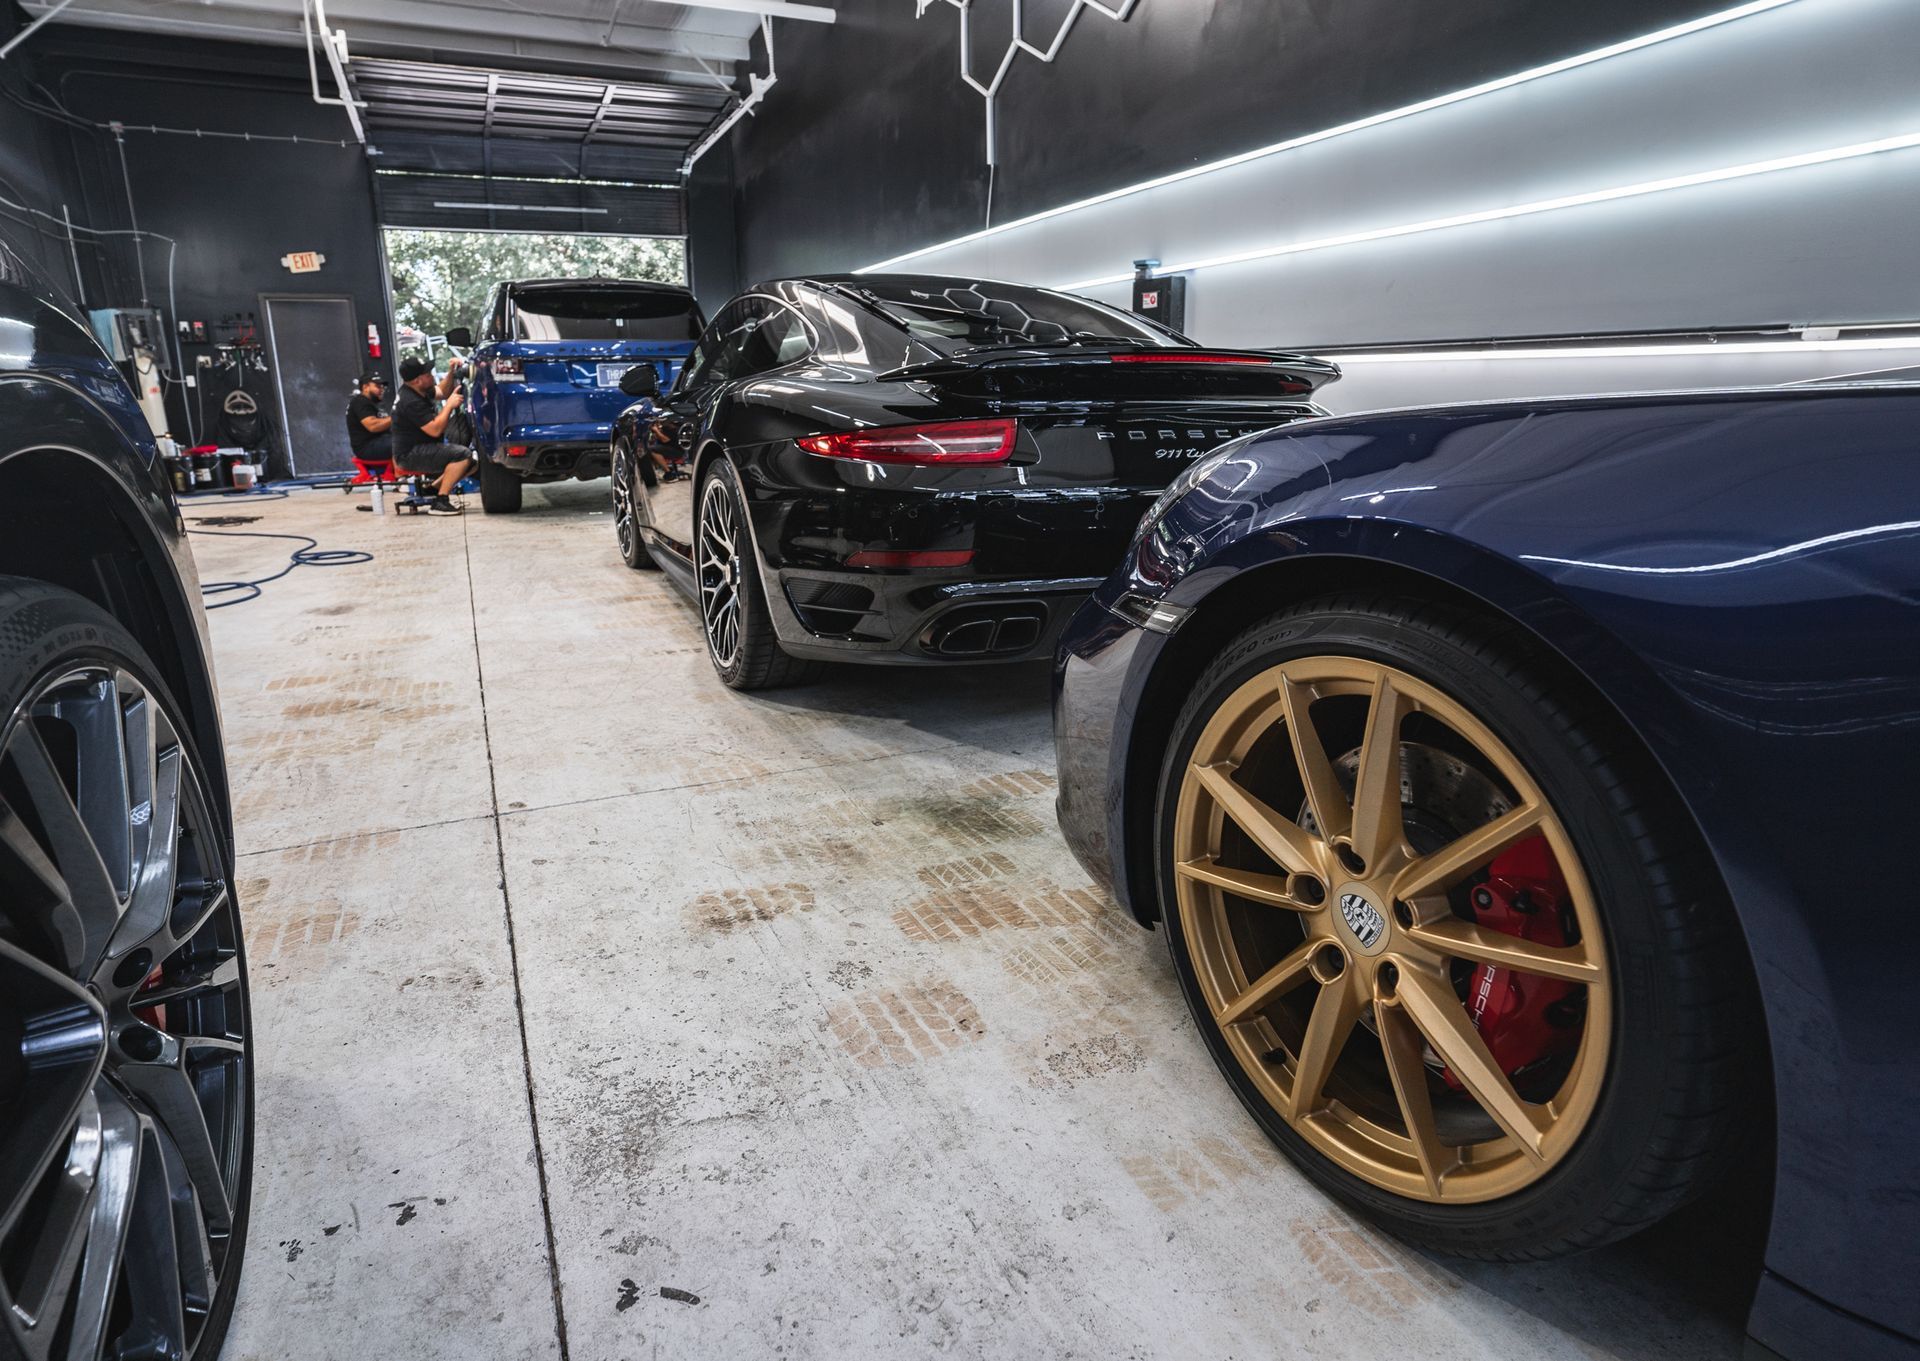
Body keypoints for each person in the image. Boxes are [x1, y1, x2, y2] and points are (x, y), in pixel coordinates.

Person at [390, 354, 474, 516]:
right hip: (410, 454)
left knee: (473, 462)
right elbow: (435, 429)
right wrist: (449, 406)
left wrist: (451, 372)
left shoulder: (419, 390)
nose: (432, 376)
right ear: (417, 380)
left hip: (421, 448)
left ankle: (432, 489)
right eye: (428, 375)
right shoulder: (410, 401)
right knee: (463, 456)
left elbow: (442, 391)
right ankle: (441, 501)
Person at [345, 371, 392, 465]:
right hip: (368, 447)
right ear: (365, 387)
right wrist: (398, 416)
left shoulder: (375, 404)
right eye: (378, 386)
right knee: (402, 443)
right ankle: (402, 474)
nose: (382, 389)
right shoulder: (359, 401)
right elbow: (373, 426)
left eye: (383, 387)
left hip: (380, 441)